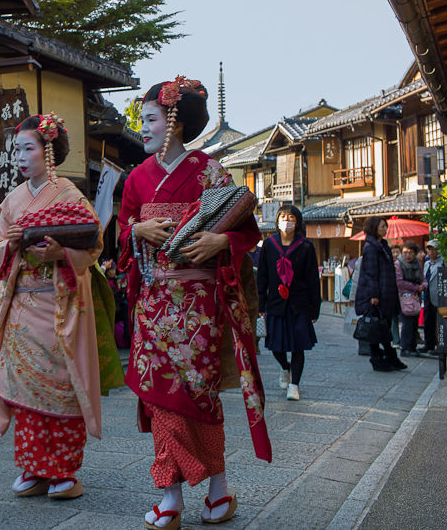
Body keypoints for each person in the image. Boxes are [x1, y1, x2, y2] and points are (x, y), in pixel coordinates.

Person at [117, 76, 270, 529]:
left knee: (199, 398)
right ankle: (171, 495)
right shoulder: (137, 180)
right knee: (161, 398)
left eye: (149, 120)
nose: (142, 129)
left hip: (199, 305)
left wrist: (220, 237)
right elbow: (121, 237)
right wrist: (135, 231)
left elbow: (246, 229)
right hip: (153, 302)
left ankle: (219, 488)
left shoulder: (211, 172)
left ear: (175, 124)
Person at [0, 113, 103, 500]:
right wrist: (14, 245)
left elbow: (93, 244)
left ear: (48, 151)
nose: (19, 157)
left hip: (59, 306)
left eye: (28, 148)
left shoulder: (70, 195)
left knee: (61, 387)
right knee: (26, 392)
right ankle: (33, 467)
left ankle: (65, 470)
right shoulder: (13, 200)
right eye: (15, 149)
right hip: (22, 308)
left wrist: (60, 252)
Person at [257, 205, 321, 401]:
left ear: (298, 221)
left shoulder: (306, 246)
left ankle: (294, 385)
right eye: (283, 216)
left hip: (299, 304)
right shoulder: (269, 245)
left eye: (291, 217)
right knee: (276, 346)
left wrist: (314, 308)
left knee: (298, 346)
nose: (287, 220)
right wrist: (261, 304)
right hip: (276, 304)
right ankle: (285, 367)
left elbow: (312, 279)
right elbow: (263, 277)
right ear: (277, 220)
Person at [354, 217, 408, 372]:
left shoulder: (382, 245)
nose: (386, 229)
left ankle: (388, 357)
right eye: (383, 226)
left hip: (387, 292)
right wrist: (374, 294)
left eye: (386, 226)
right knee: (377, 326)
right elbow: (371, 273)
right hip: (378, 294)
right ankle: (380, 358)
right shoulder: (371, 247)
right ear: (374, 227)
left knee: (382, 326)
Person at [395, 241, 427, 358]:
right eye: (405, 252)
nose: (407, 255)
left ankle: (412, 346)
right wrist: (415, 287)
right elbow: (399, 282)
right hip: (404, 297)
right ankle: (405, 347)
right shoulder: (398, 264)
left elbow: (423, 278)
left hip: (416, 298)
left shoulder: (418, 264)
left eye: (410, 252)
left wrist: (424, 285)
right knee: (407, 322)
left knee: (414, 322)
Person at [421, 239, 444, 355]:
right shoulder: (426, 263)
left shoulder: (443, 263)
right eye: (429, 249)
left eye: (433, 249)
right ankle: (428, 343)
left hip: (439, 295)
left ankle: (441, 345)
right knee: (427, 320)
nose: (431, 252)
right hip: (427, 295)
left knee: (439, 321)